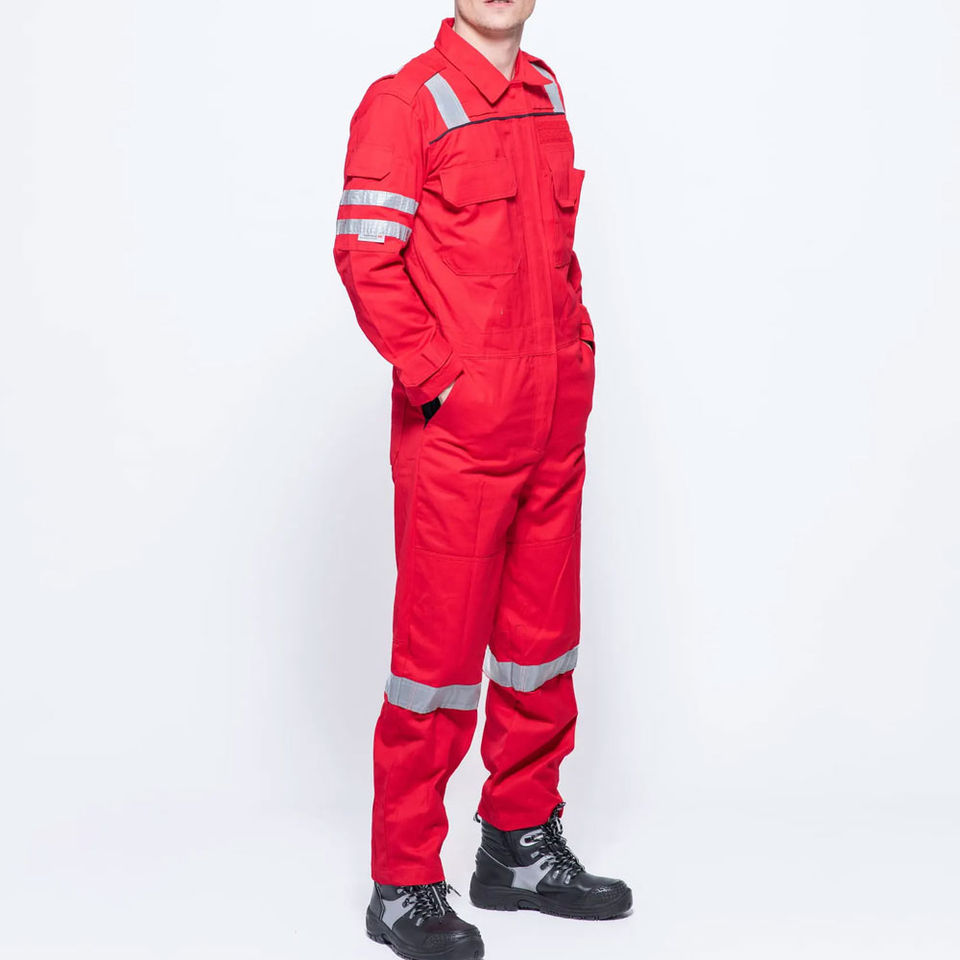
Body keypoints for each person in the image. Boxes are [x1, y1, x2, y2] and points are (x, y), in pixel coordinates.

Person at [333, 3, 632, 957]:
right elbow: (366, 257)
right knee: (437, 667)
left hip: (553, 422)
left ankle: (518, 845)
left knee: (542, 647)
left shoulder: (545, 93)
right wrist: (444, 382)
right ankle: (402, 882)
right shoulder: (404, 103)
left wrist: (576, 355)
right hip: (461, 439)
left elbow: (553, 258)